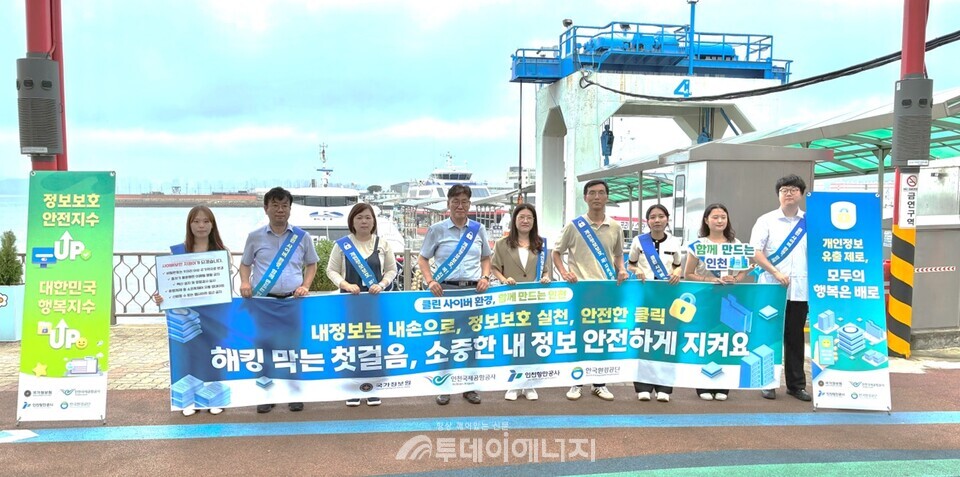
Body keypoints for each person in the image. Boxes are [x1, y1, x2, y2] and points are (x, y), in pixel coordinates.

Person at [239, 187, 319, 414]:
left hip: (293, 302)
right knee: (265, 348)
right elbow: (245, 264)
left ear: (290, 209)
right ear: (266, 209)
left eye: (284, 206)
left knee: (293, 348)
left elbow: (311, 264)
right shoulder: (254, 237)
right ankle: (266, 394)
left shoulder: (302, 237)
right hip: (264, 301)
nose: (280, 210)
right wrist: (245, 283)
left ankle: (294, 394)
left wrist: (305, 286)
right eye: (275, 205)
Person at [553, 179, 629, 402]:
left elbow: (618, 254)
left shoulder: (615, 226)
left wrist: (622, 269)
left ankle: (599, 383)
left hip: (606, 290)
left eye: (601, 193)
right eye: (592, 193)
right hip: (580, 290)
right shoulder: (574, 225)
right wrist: (565, 273)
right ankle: (576, 382)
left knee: (601, 337)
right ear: (585, 197)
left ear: (607, 197)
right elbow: (556, 252)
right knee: (578, 336)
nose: (597, 197)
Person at [418, 184, 493, 406]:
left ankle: (469, 387)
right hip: (446, 291)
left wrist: (486, 277)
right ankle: (444, 386)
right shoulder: (437, 230)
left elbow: (486, 258)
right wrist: (430, 280)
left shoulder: (478, 229)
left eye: (464, 202)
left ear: (470, 204)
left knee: (472, 339)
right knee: (446, 339)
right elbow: (423, 259)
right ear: (448, 204)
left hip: (473, 291)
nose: (460, 206)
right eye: (456, 201)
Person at [154, 205, 228, 416]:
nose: (201, 225)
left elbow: (223, 286)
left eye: (206, 221)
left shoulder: (221, 253)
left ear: (213, 224)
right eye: (196, 221)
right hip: (185, 315)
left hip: (214, 313)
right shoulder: (178, 252)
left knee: (213, 354)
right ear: (189, 225)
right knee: (188, 355)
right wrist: (161, 298)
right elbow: (169, 286)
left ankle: (216, 397)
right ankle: (188, 399)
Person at [327, 202, 397, 407]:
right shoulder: (341, 244)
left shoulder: (382, 244)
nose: (364, 221)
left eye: (368, 217)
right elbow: (331, 271)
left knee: (374, 344)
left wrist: (382, 284)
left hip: (375, 303)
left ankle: (373, 387)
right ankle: (353, 388)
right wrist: (345, 284)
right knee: (352, 345)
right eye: (359, 217)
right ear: (352, 221)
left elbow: (392, 270)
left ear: (374, 221)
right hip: (350, 303)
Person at [751, 175, 812, 402]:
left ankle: (796, 385)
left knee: (795, 337)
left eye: (794, 190)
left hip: (800, 290)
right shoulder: (766, 220)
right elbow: (755, 252)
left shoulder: (810, 221)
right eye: (784, 190)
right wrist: (775, 272)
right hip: (771, 288)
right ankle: (767, 382)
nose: (789, 193)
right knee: (769, 335)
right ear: (778, 194)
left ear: (801, 194)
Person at [684, 203, 750, 402]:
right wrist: (710, 279)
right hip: (705, 300)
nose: (720, 220)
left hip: (729, 300)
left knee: (726, 342)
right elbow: (688, 274)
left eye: (723, 217)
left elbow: (743, 270)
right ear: (706, 220)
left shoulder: (735, 243)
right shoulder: (698, 245)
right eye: (715, 217)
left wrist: (736, 280)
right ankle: (703, 384)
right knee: (705, 342)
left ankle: (724, 385)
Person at [491, 204, 552, 402]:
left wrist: (546, 278)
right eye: (521, 217)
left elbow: (546, 271)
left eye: (529, 217)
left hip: (535, 301)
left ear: (534, 222)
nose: (525, 221)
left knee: (532, 341)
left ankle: (530, 384)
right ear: (514, 220)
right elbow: (494, 268)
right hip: (511, 300)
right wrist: (503, 279)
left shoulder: (541, 245)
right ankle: (513, 384)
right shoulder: (502, 244)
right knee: (513, 342)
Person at [627, 204, 682, 403]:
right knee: (643, 338)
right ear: (647, 221)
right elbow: (630, 264)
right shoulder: (638, 241)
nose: (657, 220)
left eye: (661, 216)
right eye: (652, 217)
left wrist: (677, 272)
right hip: (644, 297)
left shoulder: (675, 242)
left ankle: (664, 387)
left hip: (667, 298)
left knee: (666, 339)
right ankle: (642, 386)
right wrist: (636, 271)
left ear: (667, 219)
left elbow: (678, 265)